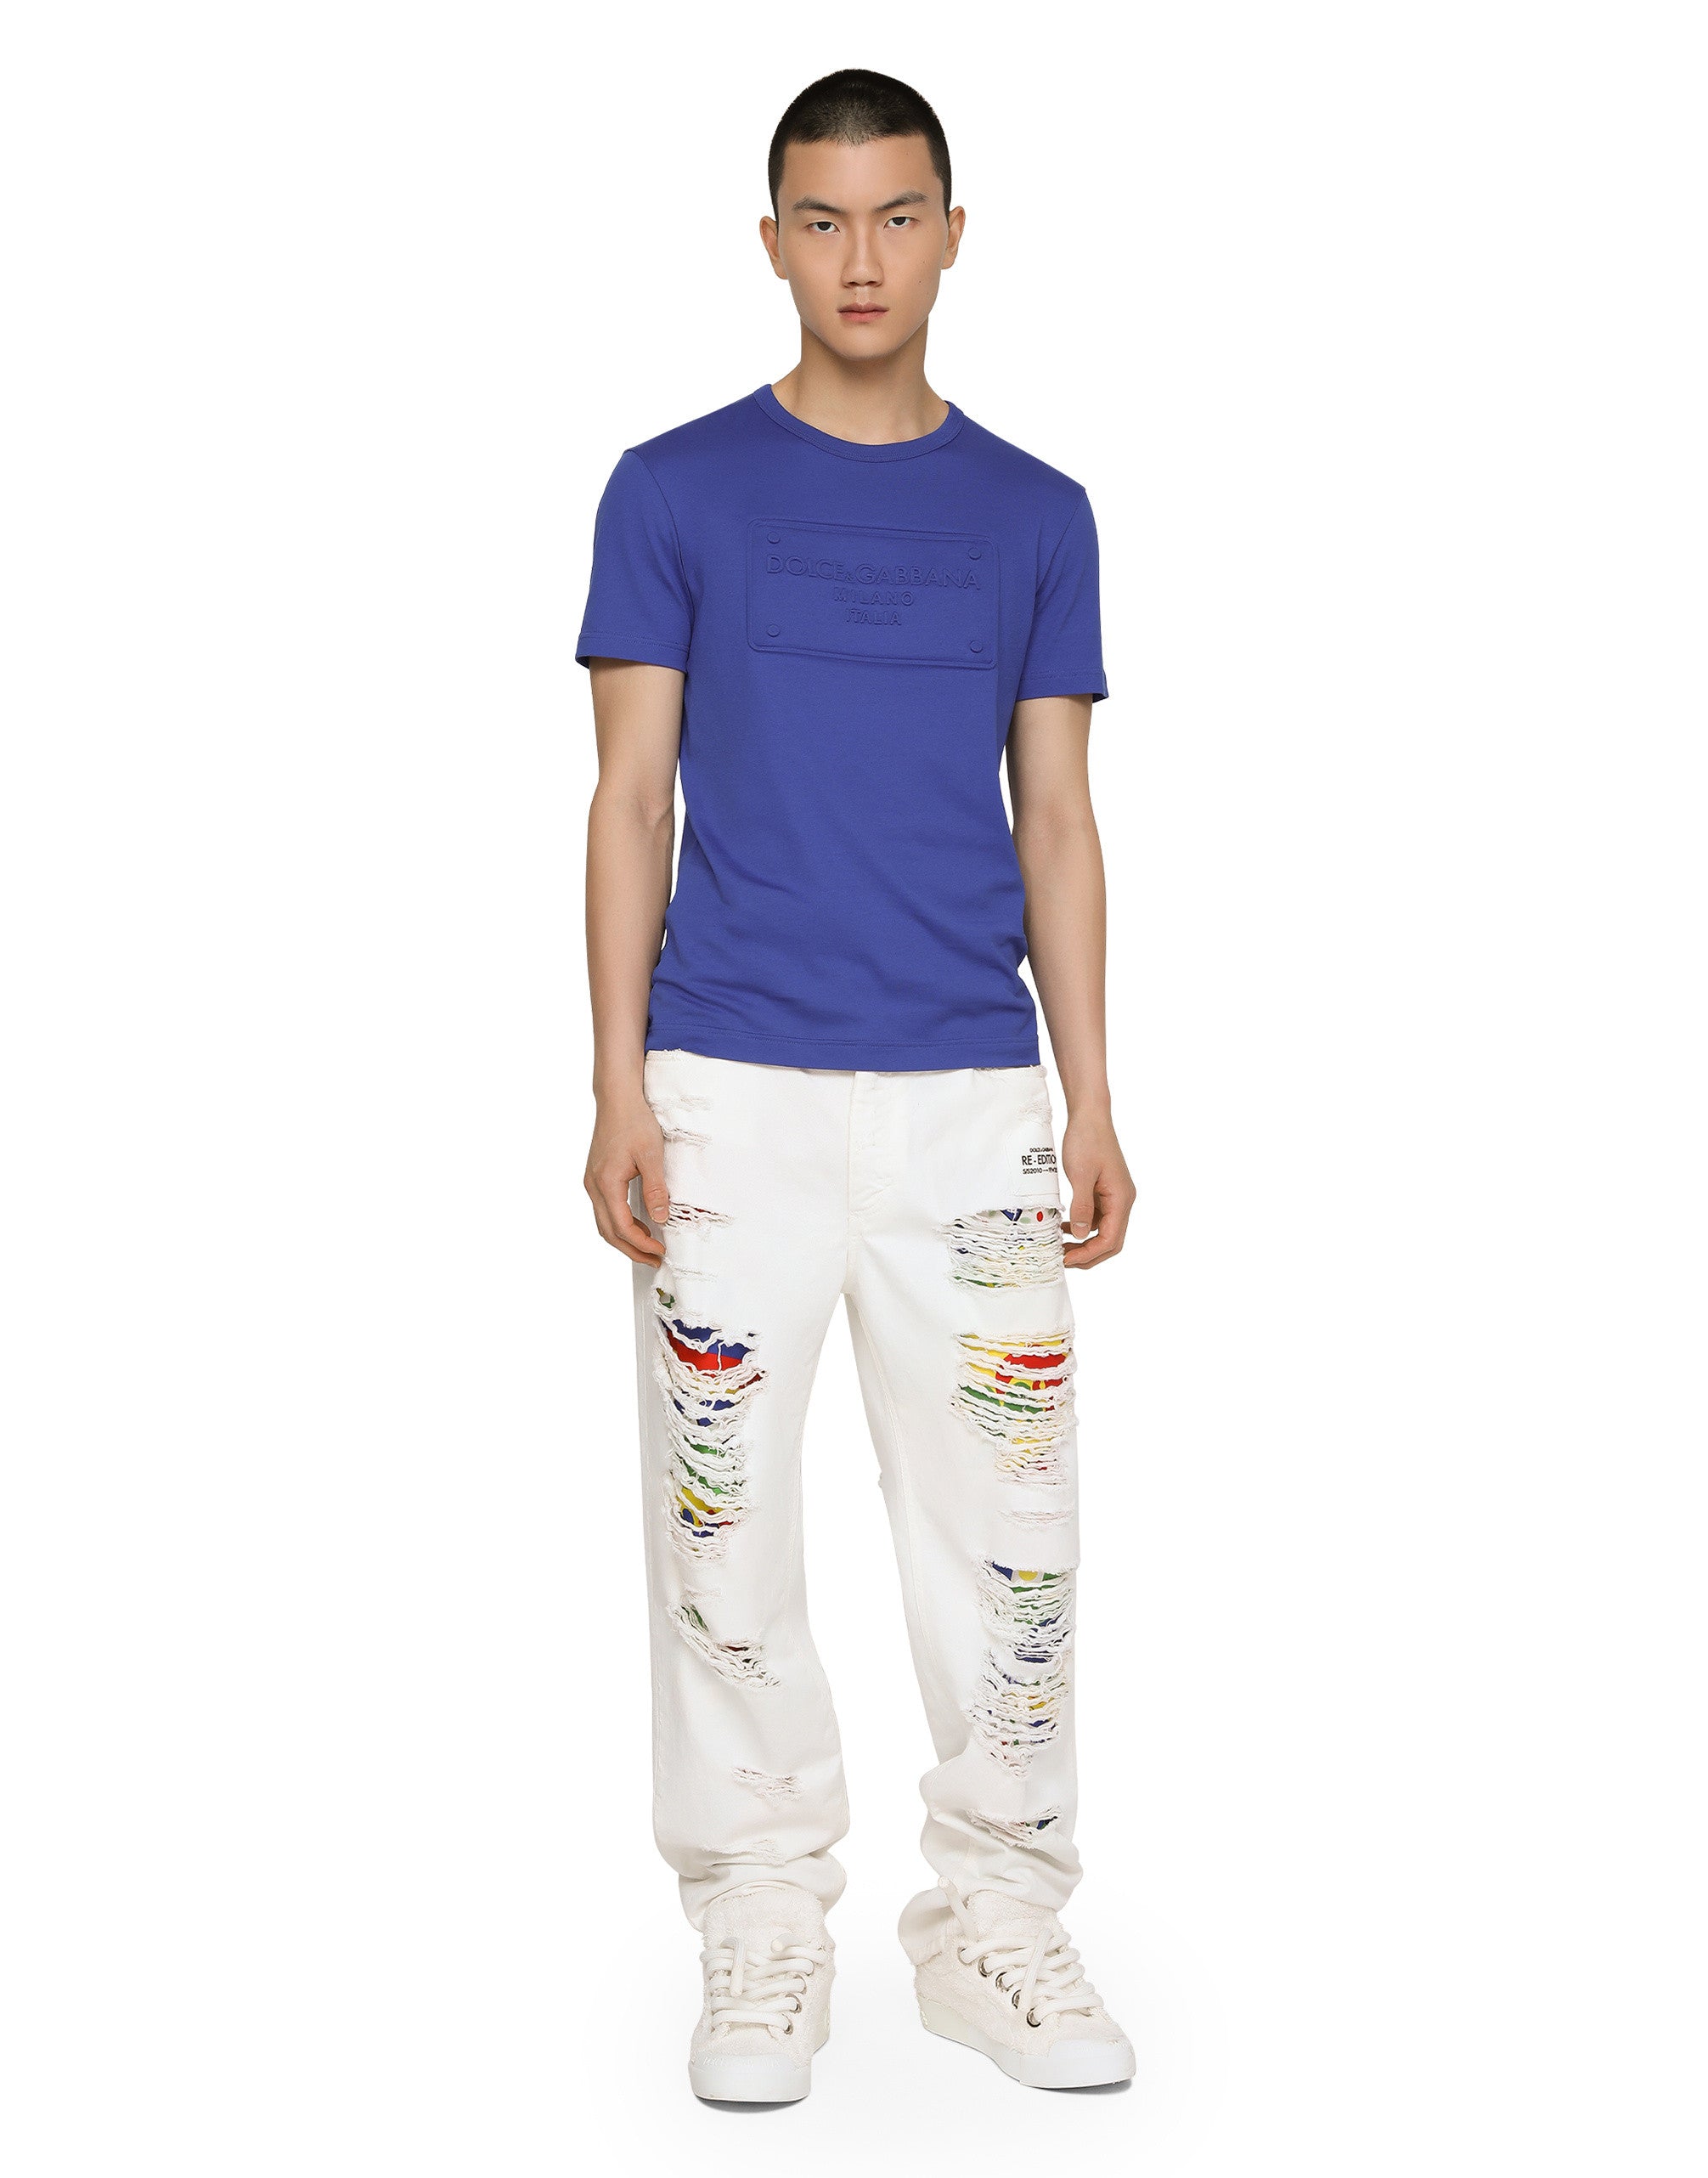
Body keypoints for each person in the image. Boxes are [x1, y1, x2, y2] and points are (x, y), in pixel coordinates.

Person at [578, 68, 1137, 2101]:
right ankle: (755, 1923)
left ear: (953, 235)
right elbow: (629, 799)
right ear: (772, 243)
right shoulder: (672, 490)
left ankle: (997, 1917)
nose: (862, 258)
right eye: (821, 220)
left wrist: (1090, 1095)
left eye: (897, 216)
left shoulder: (1034, 513)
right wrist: (617, 1085)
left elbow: (1055, 817)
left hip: (970, 1101)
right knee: (720, 1528)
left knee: (1011, 1538)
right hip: (725, 1089)